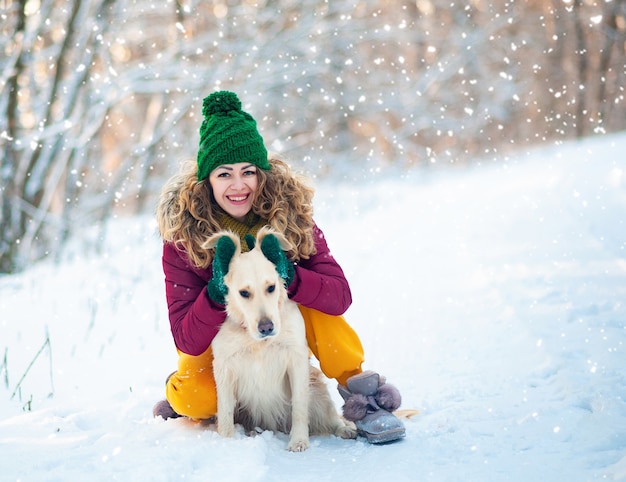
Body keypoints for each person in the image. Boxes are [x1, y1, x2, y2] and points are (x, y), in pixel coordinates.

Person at [152, 90, 405, 444]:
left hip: (280, 322)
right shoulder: (184, 237)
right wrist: (216, 292)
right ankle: (178, 392)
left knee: (321, 312)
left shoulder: (292, 218)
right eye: (224, 174)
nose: (238, 186)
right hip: (220, 341)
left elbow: (339, 296)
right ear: (207, 180)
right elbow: (186, 336)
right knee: (197, 397)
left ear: (262, 174)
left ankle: (364, 397)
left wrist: (289, 276)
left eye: (248, 172)